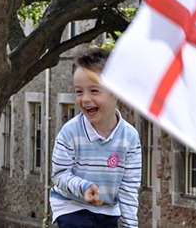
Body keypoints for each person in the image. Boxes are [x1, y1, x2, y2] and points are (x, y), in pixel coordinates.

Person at [50, 47, 142, 228]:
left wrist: (131, 225)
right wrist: (83, 187)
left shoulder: (130, 138)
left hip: (107, 210)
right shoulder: (69, 133)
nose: (85, 99)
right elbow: (59, 175)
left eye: (94, 91)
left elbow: (129, 187)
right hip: (71, 207)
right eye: (79, 91)